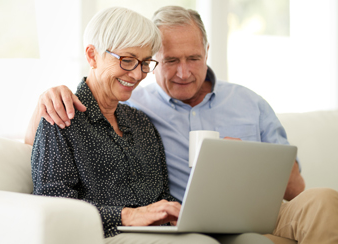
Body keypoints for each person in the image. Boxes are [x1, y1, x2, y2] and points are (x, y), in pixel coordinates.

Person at [27, 5, 338, 244]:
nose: (183, 73)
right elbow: (41, 150)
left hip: (253, 211)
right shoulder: (129, 102)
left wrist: (249, 162)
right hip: (183, 225)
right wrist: (49, 98)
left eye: (193, 58)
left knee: (326, 199)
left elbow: (297, 189)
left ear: (207, 52)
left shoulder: (245, 103)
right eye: (169, 61)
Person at [30, 6, 229, 244]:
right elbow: (53, 204)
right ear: (92, 56)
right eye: (127, 61)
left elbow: (161, 196)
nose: (137, 75)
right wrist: (127, 216)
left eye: (145, 63)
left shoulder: (142, 123)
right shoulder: (62, 118)